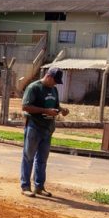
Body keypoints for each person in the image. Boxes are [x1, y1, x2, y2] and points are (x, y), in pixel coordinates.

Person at [20, 66, 69, 198]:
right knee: (28, 157)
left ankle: (39, 186)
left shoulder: (53, 90)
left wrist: (62, 109)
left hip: (47, 129)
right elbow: (25, 106)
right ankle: (25, 186)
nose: (55, 84)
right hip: (34, 127)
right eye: (55, 81)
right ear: (48, 76)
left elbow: (55, 105)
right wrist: (46, 111)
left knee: (42, 159)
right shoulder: (34, 87)